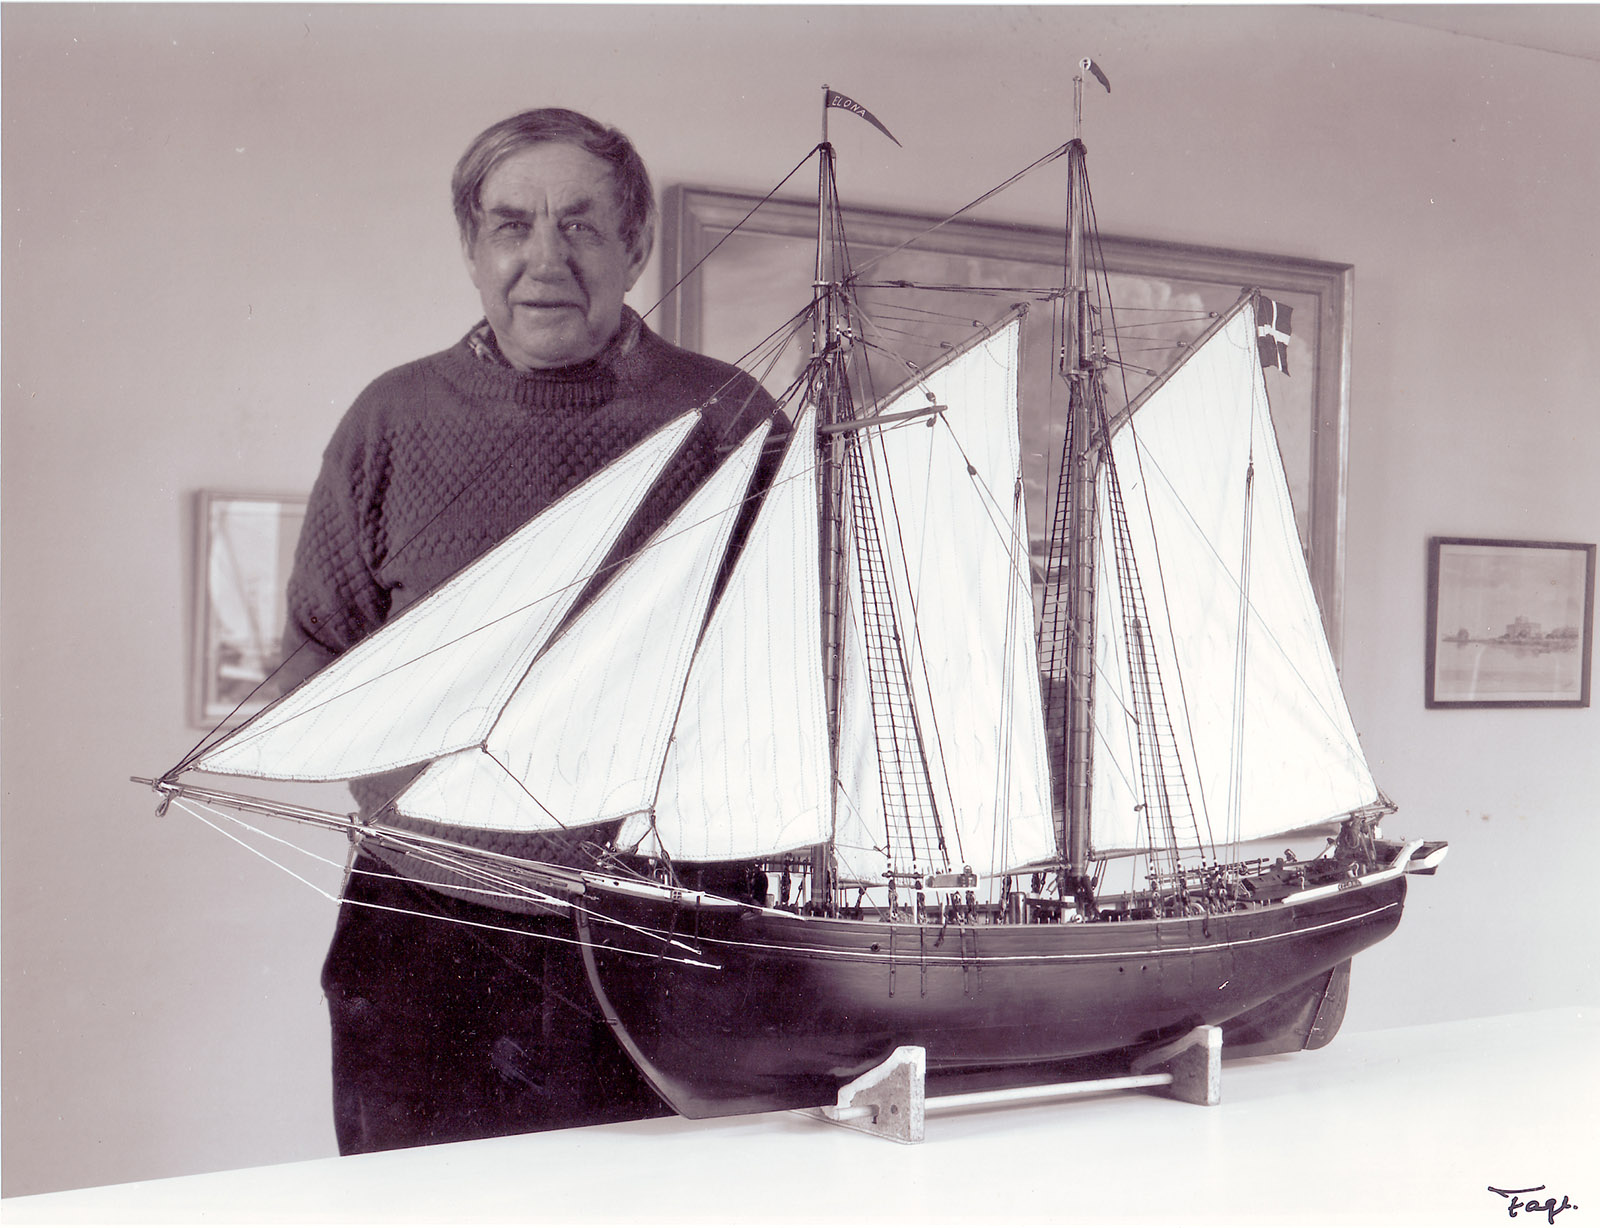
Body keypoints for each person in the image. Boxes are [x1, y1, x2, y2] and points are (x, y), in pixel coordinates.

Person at [278, 107, 781, 1154]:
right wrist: (437, 807)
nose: (545, 259)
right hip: (426, 924)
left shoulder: (730, 419)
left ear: (636, 246)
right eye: (512, 225)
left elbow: (791, 672)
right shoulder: (391, 419)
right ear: (472, 248)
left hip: (663, 921)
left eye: (581, 225)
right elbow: (318, 652)